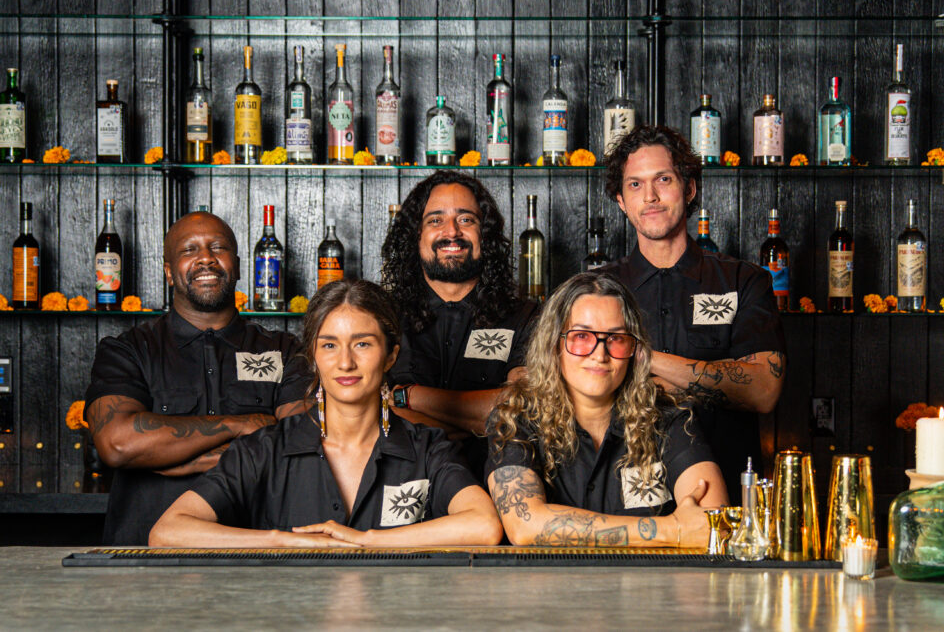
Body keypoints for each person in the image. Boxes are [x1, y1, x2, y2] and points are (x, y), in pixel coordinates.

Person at [150, 280, 502, 547]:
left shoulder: (427, 448)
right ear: (313, 357)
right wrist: (280, 541)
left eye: (362, 343)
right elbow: (168, 531)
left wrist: (367, 541)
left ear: (391, 356)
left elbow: (484, 526)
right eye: (329, 345)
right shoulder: (264, 450)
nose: (345, 361)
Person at [85, 212, 310, 545]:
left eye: (217, 247)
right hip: (144, 561)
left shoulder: (287, 350)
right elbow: (118, 444)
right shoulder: (128, 351)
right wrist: (242, 424)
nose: (206, 258)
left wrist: (169, 454)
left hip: (256, 556)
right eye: (190, 250)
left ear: (237, 264)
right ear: (168, 272)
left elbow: (302, 446)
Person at [601, 124, 786, 502]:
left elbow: (764, 391)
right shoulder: (597, 290)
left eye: (663, 179)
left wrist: (643, 359)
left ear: (689, 188)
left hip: (730, 498)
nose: (650, 196)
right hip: (621, 500)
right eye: (635, 184)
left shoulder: (742, 281)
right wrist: (716, 379)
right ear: (621, 200)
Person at [487, 272, 727, 547]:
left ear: (634, 349)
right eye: (581, 336)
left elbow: (712, 524)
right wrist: (671, 530)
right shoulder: (516, 420)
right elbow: (525, 525)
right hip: (550, 589)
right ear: (554, 346)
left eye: (615, 338)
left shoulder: (670, 418)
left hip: (652, 589)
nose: (599, 354)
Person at [380, 171, 538, 444]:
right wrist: (476, 422)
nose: (451, 232)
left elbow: (521, 410)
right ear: (415, 236)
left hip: (493, 479)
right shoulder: (382, 316)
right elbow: (364, 414)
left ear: (484, 235)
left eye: (466, 220)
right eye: (435, 220)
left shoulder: (525, 316)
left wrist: (409, 397)